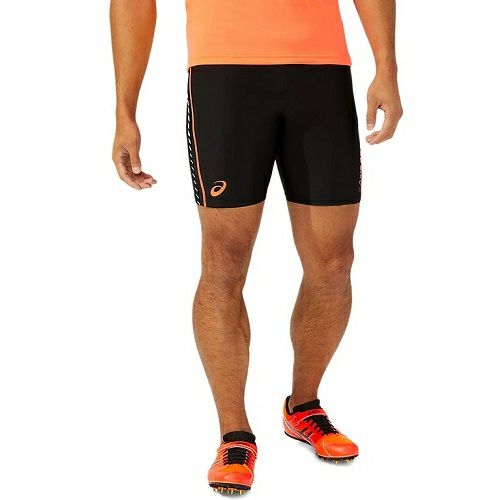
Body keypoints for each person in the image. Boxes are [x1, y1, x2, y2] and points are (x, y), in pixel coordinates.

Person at [111, 0, 402, 494]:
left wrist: (386, 67)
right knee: (224, 260)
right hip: (225, 77)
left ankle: (303, 407)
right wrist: (125, 111)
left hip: (322, 74)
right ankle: (235, 434)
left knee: (334, 261)